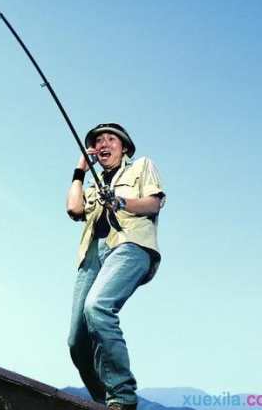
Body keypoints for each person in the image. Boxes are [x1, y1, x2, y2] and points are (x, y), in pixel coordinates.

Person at [65, 123, 165, 410]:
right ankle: (102, 401)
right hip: (93, 255)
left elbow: (153, 204)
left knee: (97, 307)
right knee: (76, 341)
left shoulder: (141, 166)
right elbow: (74, 210)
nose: (104, 143)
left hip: (130, 245)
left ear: (124, 148)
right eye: (98, 141)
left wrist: (121, 201)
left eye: (111, 139)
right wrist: (80, 170)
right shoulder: (93, 183)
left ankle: (122, 396)